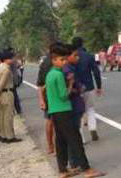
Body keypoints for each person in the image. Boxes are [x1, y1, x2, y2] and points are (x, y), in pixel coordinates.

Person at [46, 44, 106, 178]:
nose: (64, 62)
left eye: (64, 59)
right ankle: (86, 169)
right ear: (54, 60)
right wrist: (71, 83)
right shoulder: (58, 75)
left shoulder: (50, 74)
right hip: (64, 109)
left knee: (61, 141)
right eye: (61, 60)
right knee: (75, 140)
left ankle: (62, 170)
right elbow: (63, 95)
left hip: (54, 111)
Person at [72, 37, 103, 142]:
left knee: (78, 112)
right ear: (82, 44)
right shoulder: (89, 56)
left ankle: (81, 137)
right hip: (89, 86)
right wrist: (99, 86)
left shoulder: (71, 57)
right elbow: (96, 72)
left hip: (77, 88)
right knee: (90, 109)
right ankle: (93, 128)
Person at [63, 44, 87, 168]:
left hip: (76, 103)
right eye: (75, 55)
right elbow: (66, 90)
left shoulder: (72, 67)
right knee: (73, 135)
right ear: (67, 56)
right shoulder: (67, 70)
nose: (77, 58)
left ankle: (75, 161)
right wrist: (77, 88)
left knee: (75, 133)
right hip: (73, 104)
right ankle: (74, 162)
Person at [0, 50, 22, 143]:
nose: (13, 60)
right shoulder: (6, 69)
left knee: (3, 116)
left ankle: (4, 135)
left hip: (1, 94)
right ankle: (10, 136)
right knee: (8, 116)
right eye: (12, 58)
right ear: (7, 59)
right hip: (7, 92)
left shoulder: (0, 67)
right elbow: (1, 83)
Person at [37, 44, 57, 154]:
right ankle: (57, 147)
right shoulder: (56, 63)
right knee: (57, 123)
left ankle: (50, 146)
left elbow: (39, 84)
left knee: (49, 121)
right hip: (54, 96)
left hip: (46, 96)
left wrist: (41, 100)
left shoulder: (44, 63)